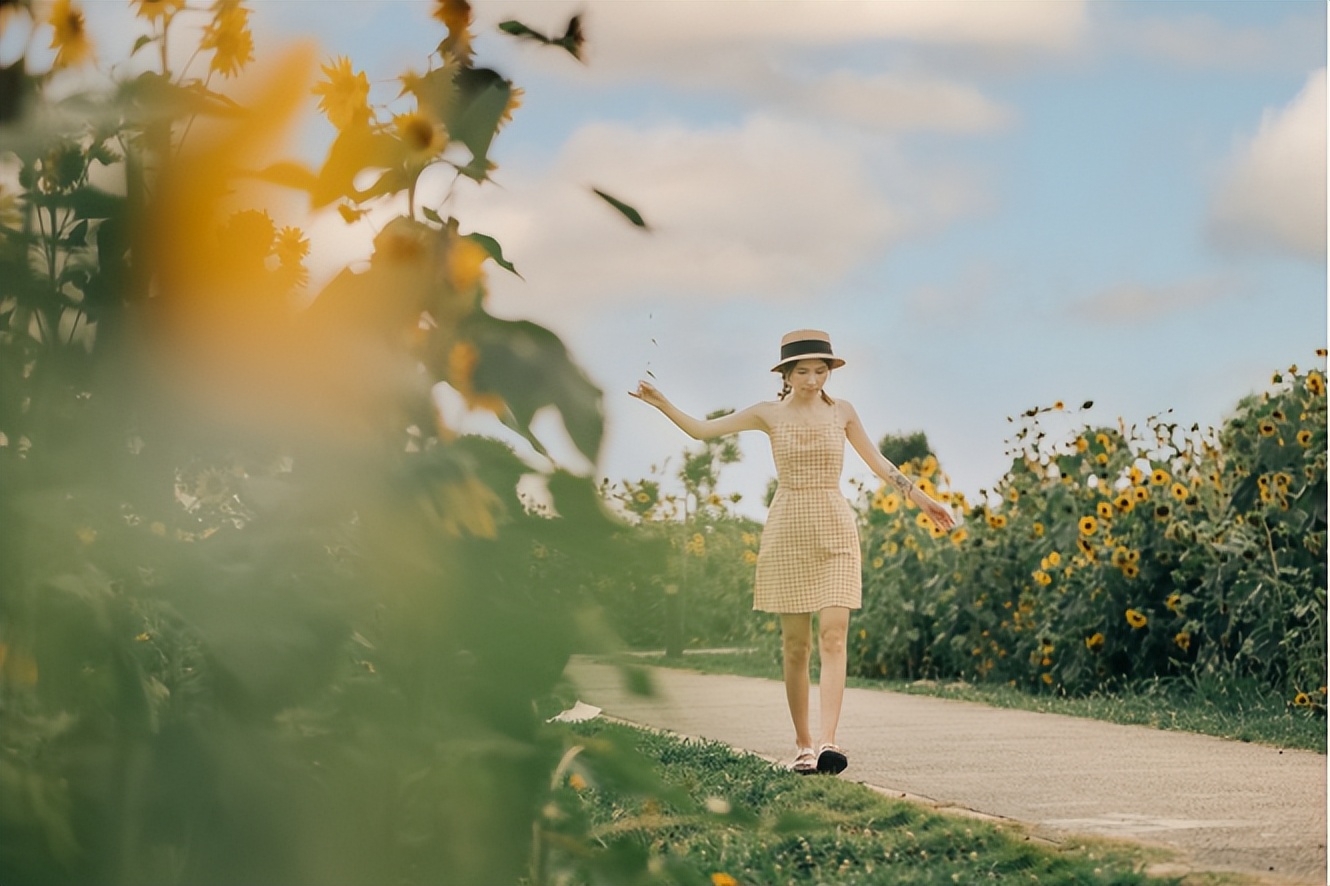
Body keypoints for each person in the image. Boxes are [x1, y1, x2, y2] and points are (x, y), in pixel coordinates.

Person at [630, 329, 955, 775]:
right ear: (785, 374)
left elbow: (880, 463)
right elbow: (704, 432)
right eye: (803, 372)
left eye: (821, 371)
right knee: (796, 647)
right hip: (787, 530)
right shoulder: (768, 414)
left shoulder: (842, 412)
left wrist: (922, 498)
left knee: (834, 637)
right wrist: (662, 403)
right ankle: (803, 745)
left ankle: (828, 743)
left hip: (835, 529)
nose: (813, 380)